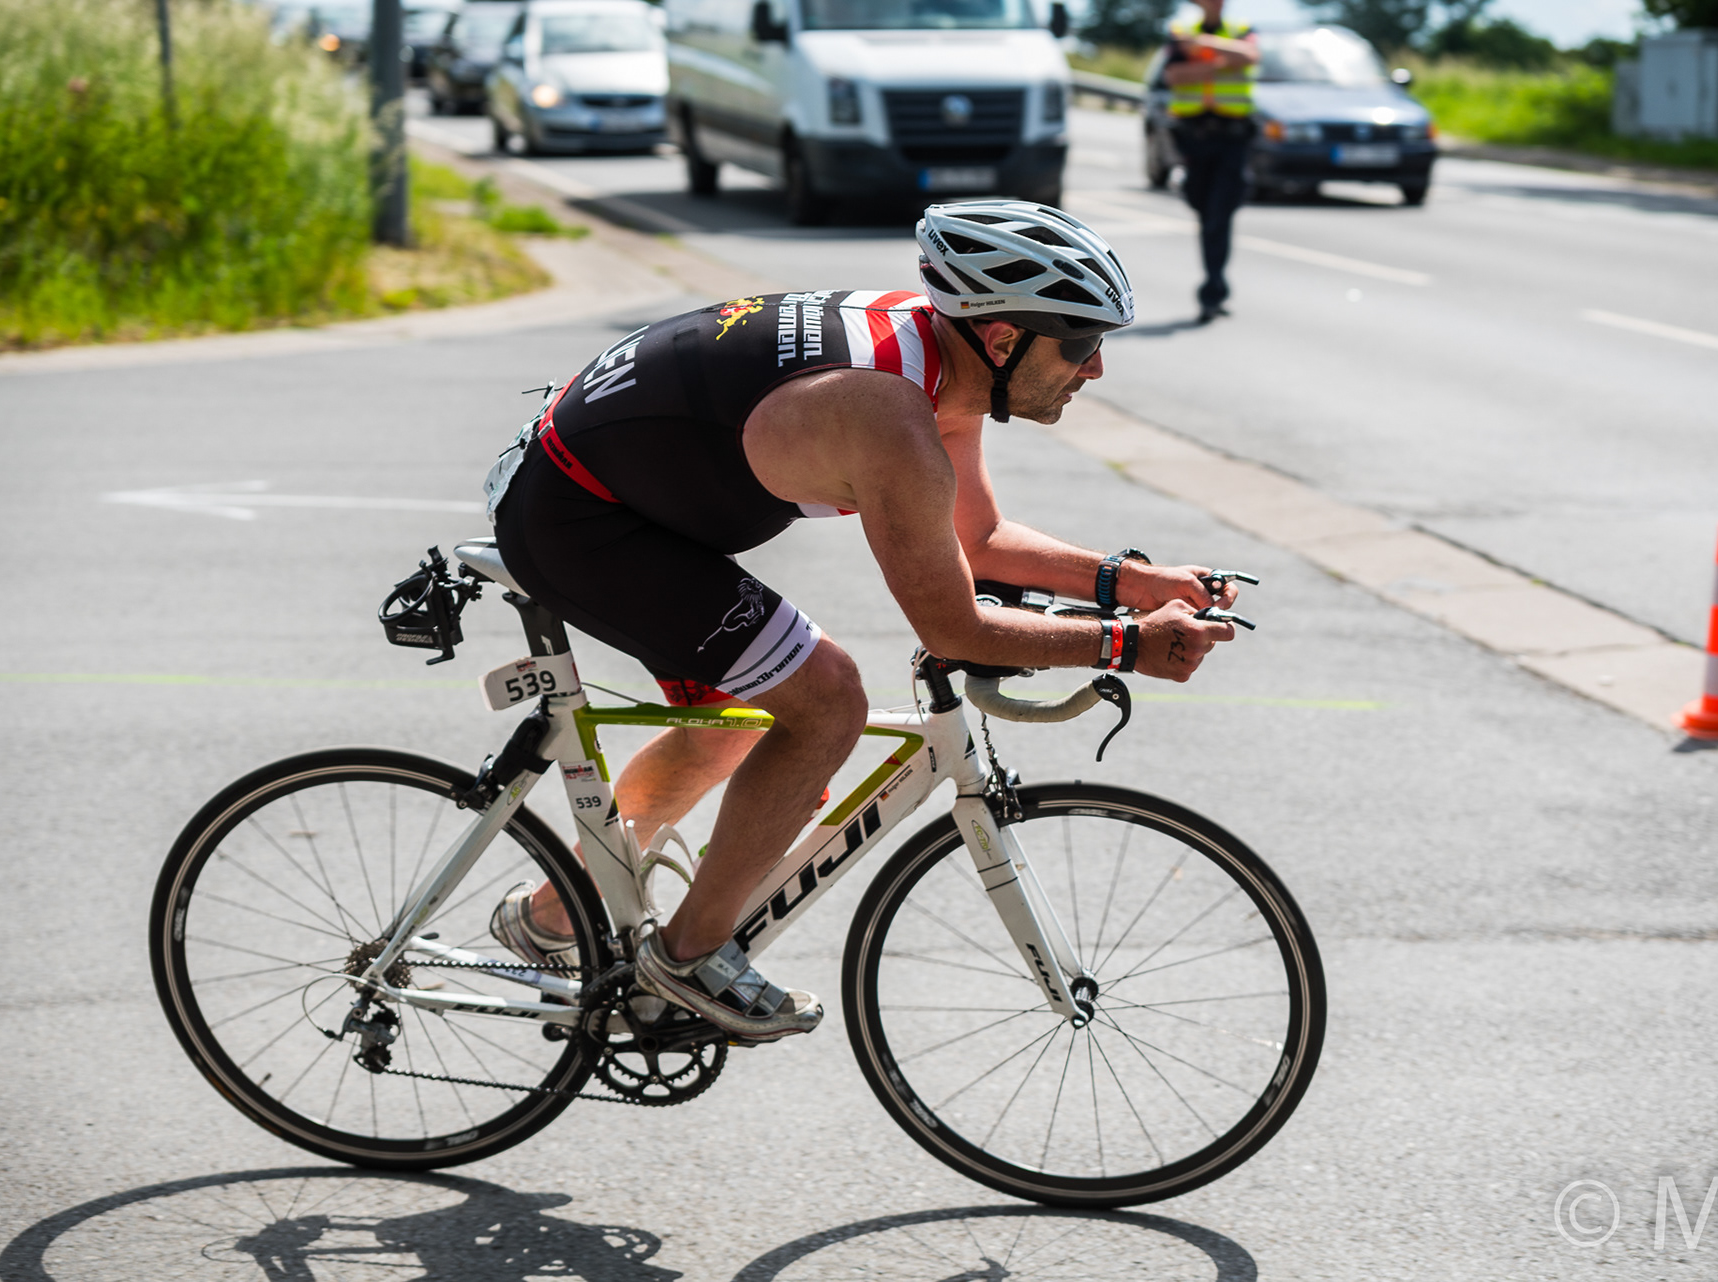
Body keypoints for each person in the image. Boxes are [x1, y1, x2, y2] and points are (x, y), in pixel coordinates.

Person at [482, 201, 1241, 1041]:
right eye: (1082, 342)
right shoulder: (889, 418)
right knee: (826, 700)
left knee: (726, 732)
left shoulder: (937, 355)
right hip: (583, 519)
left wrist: (1132, 583)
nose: (1095, 367)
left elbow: (978, 539)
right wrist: (1128, 645)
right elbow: (956, 629)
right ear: (1002, 340)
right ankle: (687, 960)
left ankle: (550, 918)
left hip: (623, 495)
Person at [1164, 0, 1259, 325]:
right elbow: (1175, 75)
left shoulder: (1239, 28)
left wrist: (1201, 48)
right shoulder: (1180, 31)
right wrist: (1223, 63)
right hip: (1195, 139)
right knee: (1203, 209)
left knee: (1219, 215)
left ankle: (1212, 292)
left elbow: (1249, 56)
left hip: (1232, 139)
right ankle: (1215, 285)